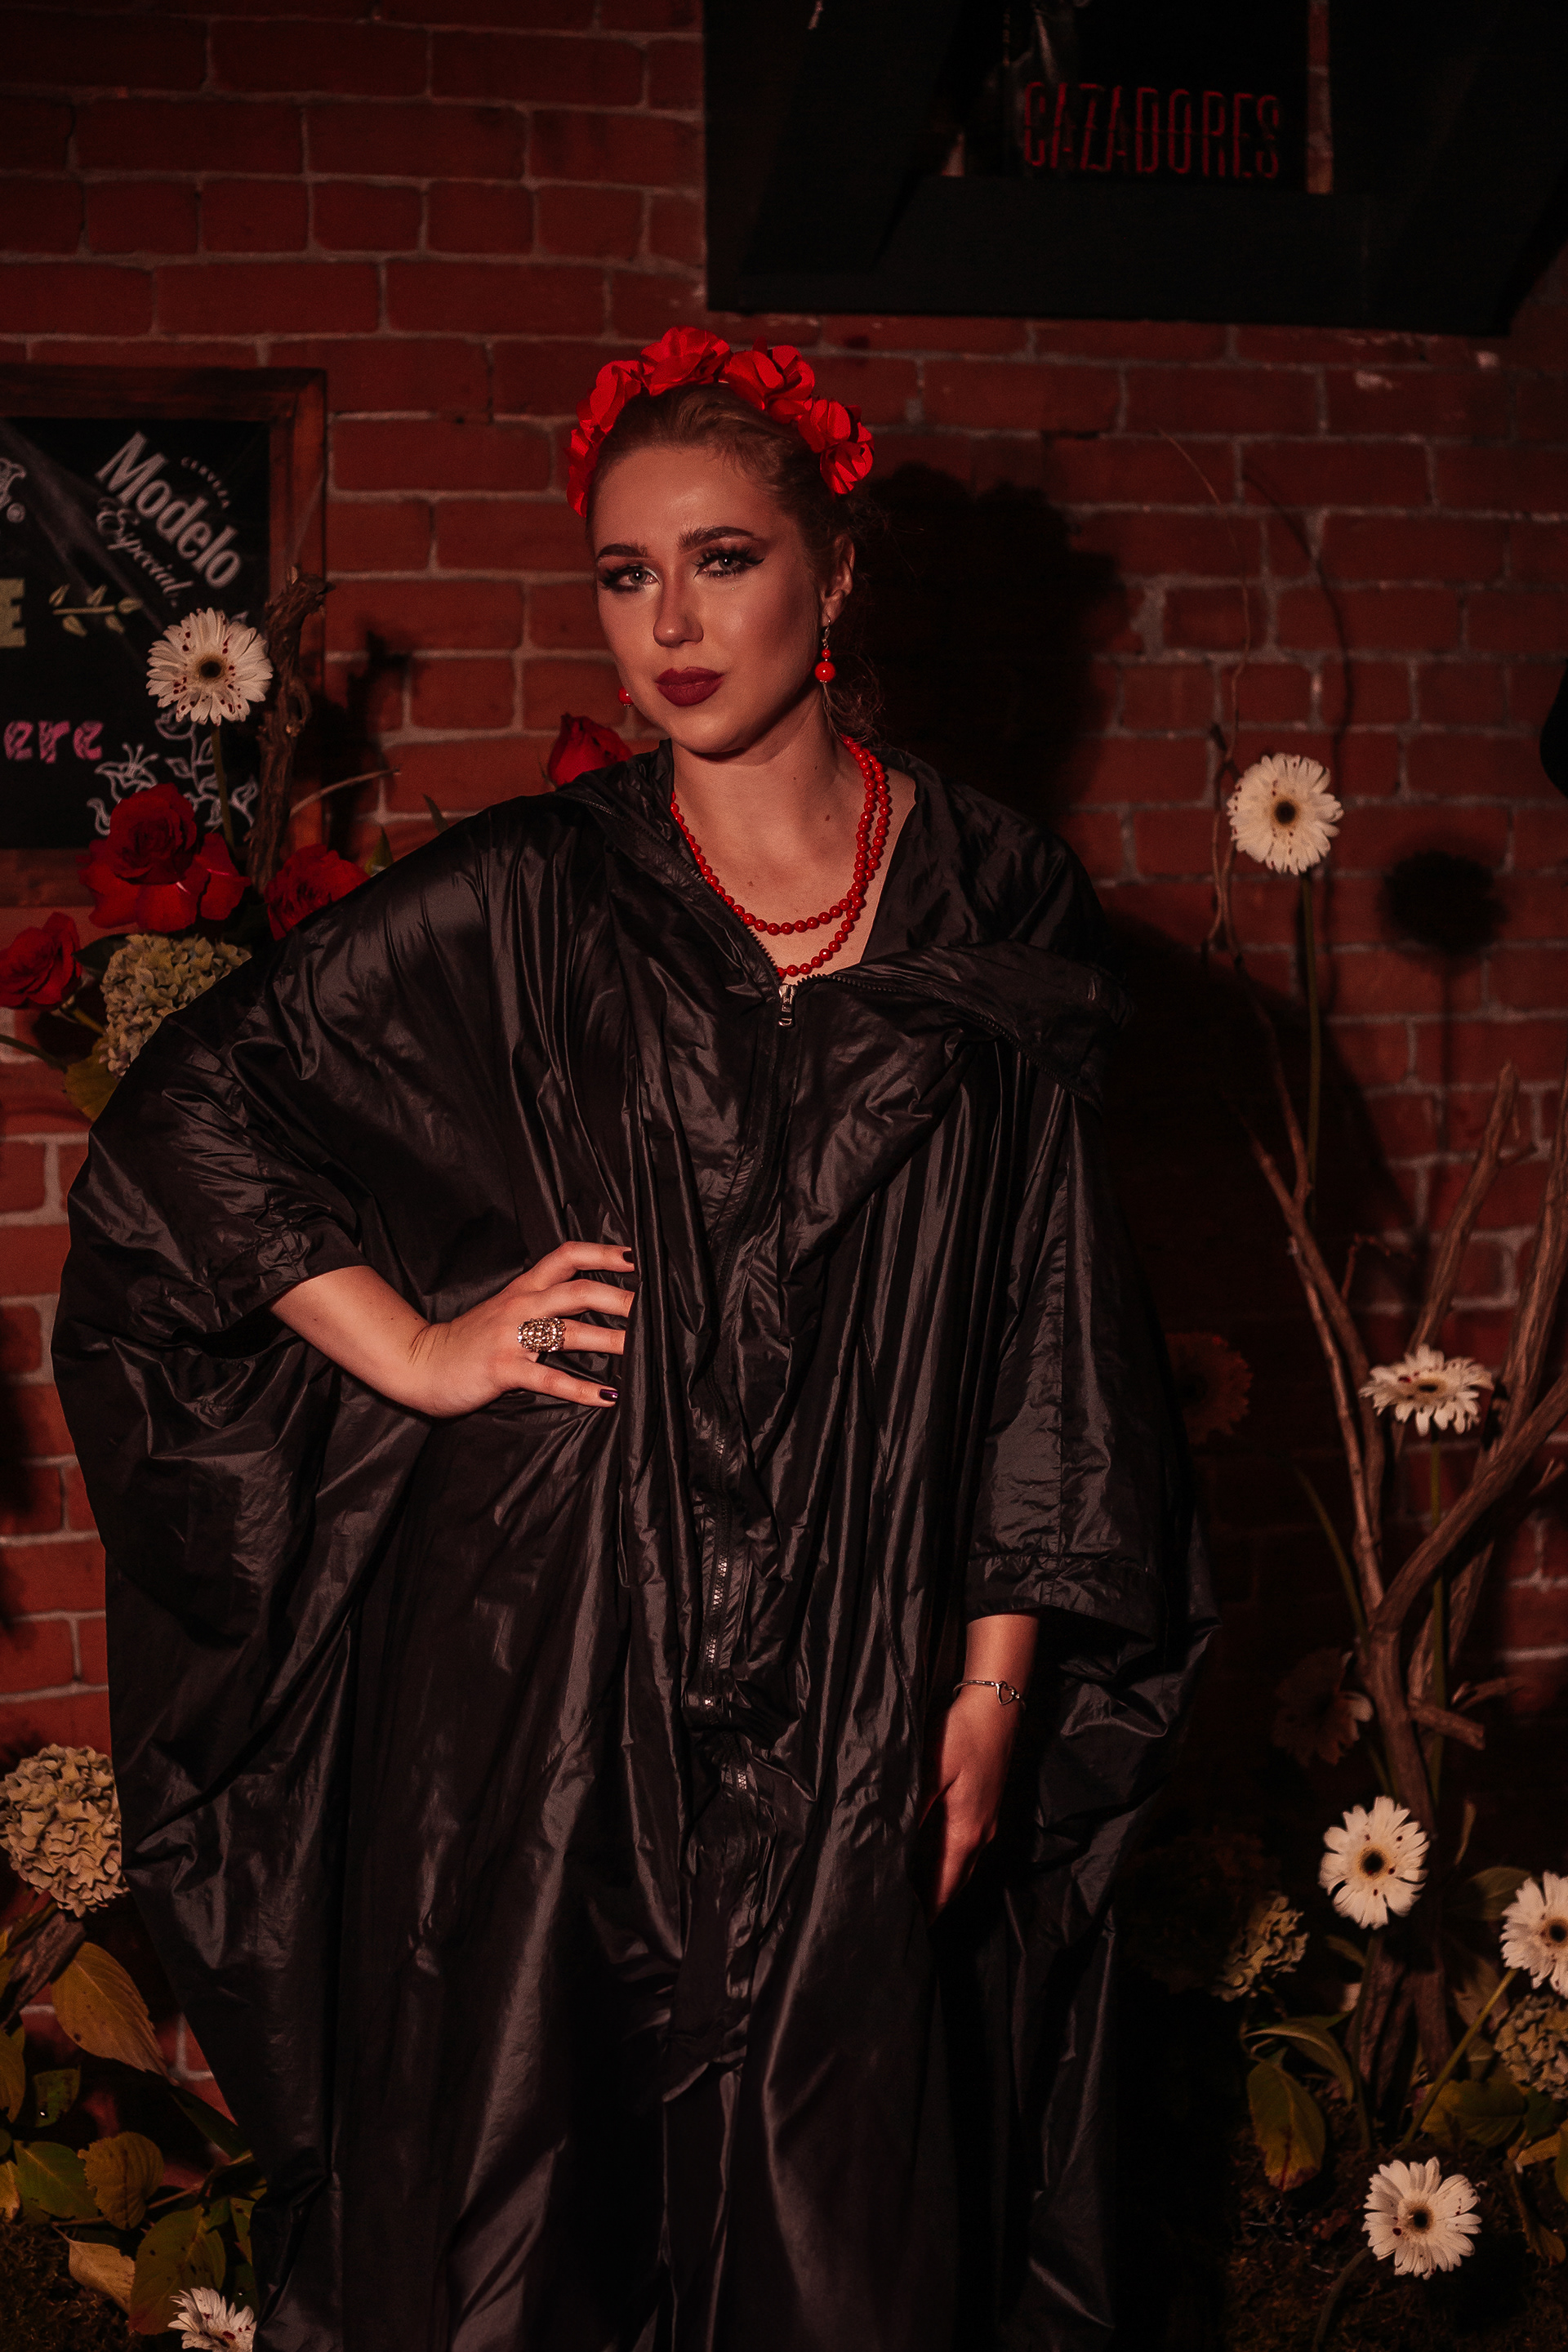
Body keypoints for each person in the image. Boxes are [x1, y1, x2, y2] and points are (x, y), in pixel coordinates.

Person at [55, 327, 1213, 2352]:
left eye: (721, 561)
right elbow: (192, 1119)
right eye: (624, 574)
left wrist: (991, 1684)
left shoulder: (996, 889)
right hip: (556, 1651)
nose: (668, 624)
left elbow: (1045, 1320)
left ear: (833, 576)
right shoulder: (534, 892)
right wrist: (419, 1351)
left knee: (845, 2224)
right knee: (541, 2201)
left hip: (867, 1646)